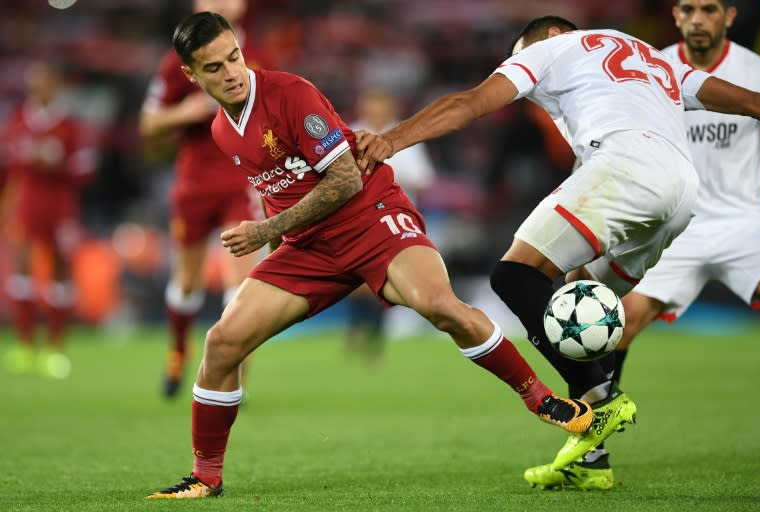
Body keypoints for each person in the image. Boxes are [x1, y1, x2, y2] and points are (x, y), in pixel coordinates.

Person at [146, 12, 597, 499]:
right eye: (214, 68)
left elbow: (346, 179)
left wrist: (267, 231)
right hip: (307, 247)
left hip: (370, 218)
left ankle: (541, 399)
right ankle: (205, 477)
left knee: (440, 306)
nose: (231, 72)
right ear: (191, 76)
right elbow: (278, 193)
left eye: (234, 57)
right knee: (221, 343)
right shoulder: (221, 130)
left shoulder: (291, 94)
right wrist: (277, 251)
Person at [356, 14, 760, 487]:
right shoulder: (649, 56)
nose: (525, 82)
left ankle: (601, 399)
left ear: (548, 36)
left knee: (514, 276)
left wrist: (391, 139)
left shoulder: (554, 48)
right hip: (680, 191)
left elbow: (470, 103)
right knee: (581, 296)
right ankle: (590, 462)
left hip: (626, 166)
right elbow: (751, 102)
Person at [524, 0, 760, 490]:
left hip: (745, 220)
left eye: (709, 9)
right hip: (674, 226)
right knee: (613, 321)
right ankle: (591, 457)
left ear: (729, 17)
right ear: (675, 16)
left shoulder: (756, 73)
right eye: (688, 9)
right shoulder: (647, 66)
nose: (698, 19)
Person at [140, 0, 272, 398]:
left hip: (242, 181)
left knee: (242, 283)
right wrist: (188, 111)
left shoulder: (262, 57)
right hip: (194, 183)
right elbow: (149, 125)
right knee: (186, 281)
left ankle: (235, 375)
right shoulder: (178, 61)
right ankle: (177, 354)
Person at [0, 61, 96, 379]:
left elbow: (85, 170)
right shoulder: (17, 120)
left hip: (60, 207)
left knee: (58, 274)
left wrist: (56, 162)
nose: (38, 87)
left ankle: (55, 348)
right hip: (26, 205)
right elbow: (8, 164)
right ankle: (26, 347)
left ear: (55, 86)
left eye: (45, 81)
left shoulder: (70, 126)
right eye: (35, 81)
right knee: (22, 273)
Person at [344, 87, 437, 364]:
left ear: (390, 108)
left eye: (379, 104)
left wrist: (385, 174)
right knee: (357, 281)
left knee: (386, 278)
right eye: (369, 103)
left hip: (396, 218)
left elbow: (423, 179)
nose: (374, 109)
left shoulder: (403, 137)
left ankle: (374, 335)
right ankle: (357, 330)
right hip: (359, 217)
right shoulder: (350, 133)